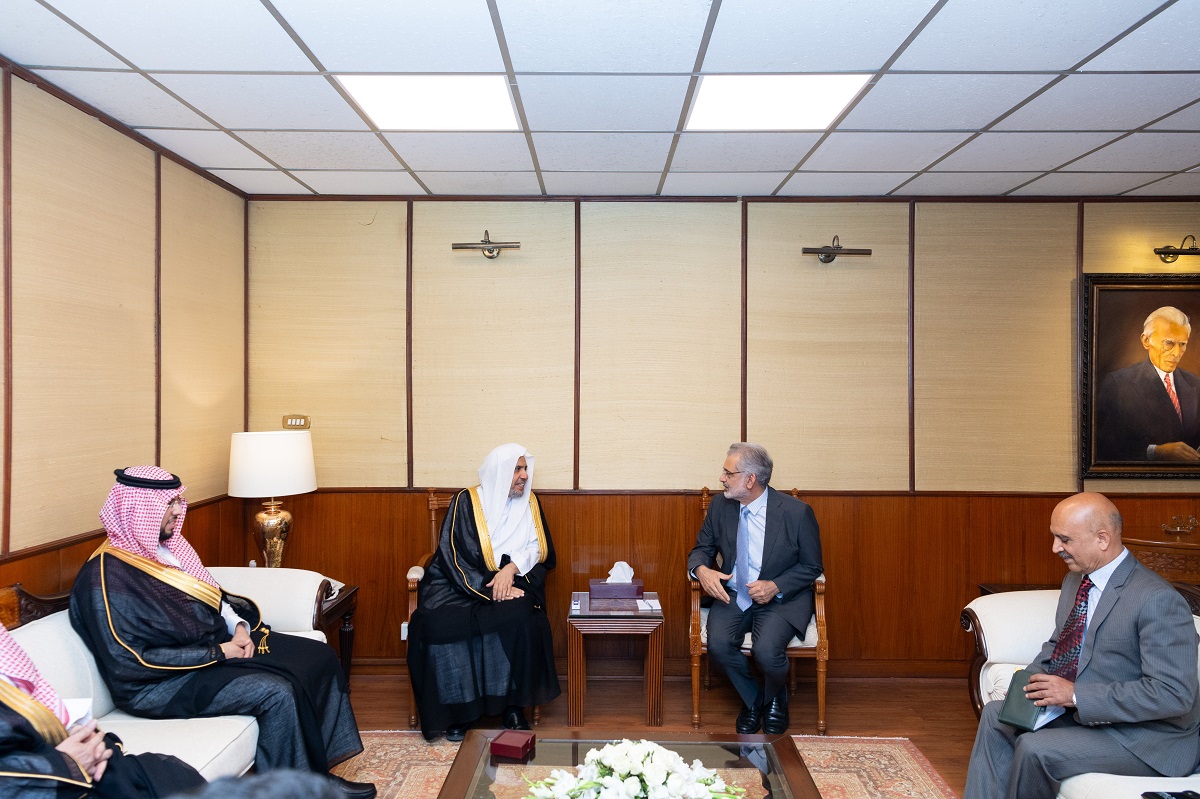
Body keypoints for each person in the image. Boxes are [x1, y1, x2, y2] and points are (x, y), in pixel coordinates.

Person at [67, 466, 376, 799]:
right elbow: (132, 660)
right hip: (161, 685)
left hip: (213, 648)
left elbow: (212, 595)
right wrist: (221, 652)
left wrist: (239, 627)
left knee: (316, 655)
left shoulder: (168, 548)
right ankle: (295, 790)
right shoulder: (104, 578)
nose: (176, 511)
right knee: (275, 691)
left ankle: (318, 774)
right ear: (137, 509)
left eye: (177, 501)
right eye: (168, 503)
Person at [965, 492, 1200, 799]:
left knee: (1035, 748)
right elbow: (1058, 645)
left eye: (1065, 539)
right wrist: (1026, 685)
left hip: (1148, 737)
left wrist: (1074, 694)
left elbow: (1173, 695)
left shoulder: (1157, 600)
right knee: (997, 716)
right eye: (1054, 537)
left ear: (1102, 539)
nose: (1055, 548)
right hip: (1093, 716)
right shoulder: (1076, 581)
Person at [406, 443, 559, 742]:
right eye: (517, 469)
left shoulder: (529, 503)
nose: (525, 476)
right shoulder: (467, 501)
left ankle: (513, 707)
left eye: (525, 468)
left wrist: (510, 571)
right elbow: (453, 555)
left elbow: (537, 549)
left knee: (522, 618)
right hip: (457, 582)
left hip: (510, 578)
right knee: (437, 623)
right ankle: (459, 712)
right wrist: (488, 590)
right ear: (501, 472)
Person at [686, 442, 823, 735]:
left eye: (728, 472)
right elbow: (701, 549)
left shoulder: (797, 513)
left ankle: (776, 699)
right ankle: (755, 699)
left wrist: (776, 585)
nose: (722, 478)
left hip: (782, 599)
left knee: (766, 651)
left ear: (750, 480)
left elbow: (812, 566)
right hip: (734, 593)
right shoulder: (721, 507)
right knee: (719, 646)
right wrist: (702, 570)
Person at [0, 622, 206, 798]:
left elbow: (38, 701)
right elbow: (127, 659)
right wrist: (65, 764)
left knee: (170, 776)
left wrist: (80, 736)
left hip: (63, 760)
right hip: (40, 780)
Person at [1096, 305, 1200, 461]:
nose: (1177, 353)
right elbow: (1102, 448)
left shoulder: (1195, 383)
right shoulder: (1118, 383)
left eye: (1182, 344)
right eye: (1169, 343)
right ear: (1146, 341)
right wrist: (1155, 452)